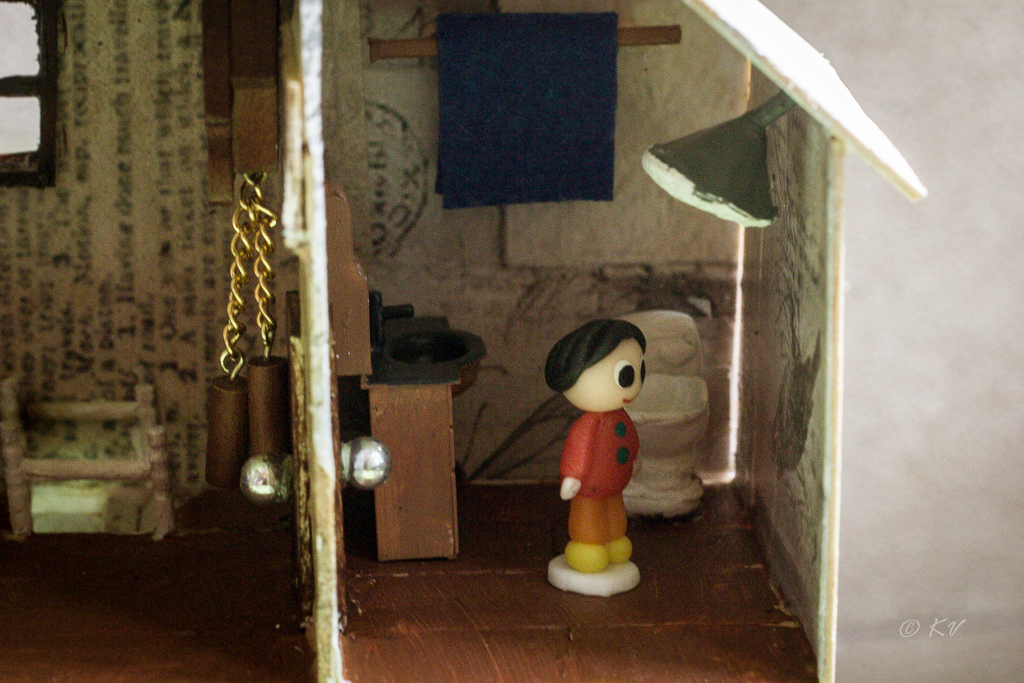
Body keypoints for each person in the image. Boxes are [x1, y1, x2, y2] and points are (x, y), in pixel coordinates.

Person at [544, 319, 646, 573]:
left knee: (615, 514)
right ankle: (586, 548)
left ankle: (614, 540)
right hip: (589, 486)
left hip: (615, 483)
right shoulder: (589, 425)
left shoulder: (620, 417)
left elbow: (630, 439)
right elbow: (578, 451)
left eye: (639, 371)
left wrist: (635, 458)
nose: (634, 383)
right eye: (626, 375)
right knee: (588, 517)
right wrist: (572, 476)